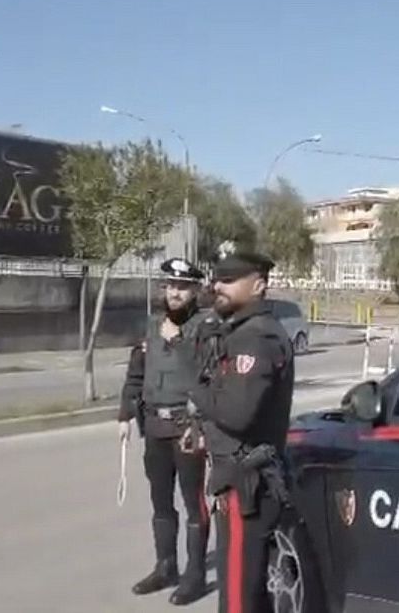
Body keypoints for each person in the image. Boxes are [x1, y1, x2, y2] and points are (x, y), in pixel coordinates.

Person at [188, 252, 296, 613]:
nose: (218, 286)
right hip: (239, 477)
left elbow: (236, 415)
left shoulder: (255, 337)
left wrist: (194, 388)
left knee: (237, 598)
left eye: (229, 280)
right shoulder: (238, 331)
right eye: (217, 279)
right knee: (249, 591)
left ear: (259, 285)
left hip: (245, 483)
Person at [117, 257, 217, 605]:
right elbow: (136, 372)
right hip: (155, 427)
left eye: (182, 287)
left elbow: (209, 376)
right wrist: (124, 414)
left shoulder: (206, 327)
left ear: (195, 291)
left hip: (187, 427)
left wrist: (179, 342)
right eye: (170, 286)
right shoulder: (152, 325)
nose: (174, 293)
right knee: (160, 502)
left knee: (193, 503)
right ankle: (166, 566)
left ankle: (195, 576)